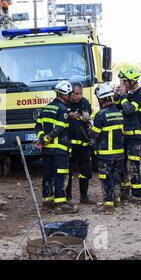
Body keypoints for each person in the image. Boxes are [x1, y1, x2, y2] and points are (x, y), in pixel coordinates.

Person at [35, 80, 79, 214]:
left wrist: (42, 138)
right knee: (60, 175)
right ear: (65, 95)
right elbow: (59, 128)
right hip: (59, 150)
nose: (71, 96)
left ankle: (47, 201)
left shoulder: (46, 108)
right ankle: (60, 205)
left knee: (47, 175)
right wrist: (48, 138)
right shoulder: (63, 110)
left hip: (47, 150)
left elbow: (37, 127)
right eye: (70, 94)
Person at [88, 83, 124, 213]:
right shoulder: (119, 113)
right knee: (116, 177)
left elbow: (95, 134)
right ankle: (117, 201)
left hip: (105, 154)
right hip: (119, 153)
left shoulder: (100, 115)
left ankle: (108, 205)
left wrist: (89, 126)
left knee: (105, 177)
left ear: (101, 99)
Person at [114, 68, 141, 203]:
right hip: (125, 135)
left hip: (135, 136)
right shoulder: (129, 94)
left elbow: (128, 110)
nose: (123, 83)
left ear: (133, 81)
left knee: (133, 165)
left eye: (125, 81)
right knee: (123, 165)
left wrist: (123, 96)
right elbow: (118, 108)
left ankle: (137, 195)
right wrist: (117, 96)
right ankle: (125, 193)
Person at [65, 82, 94, 204]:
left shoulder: (84, 102)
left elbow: (87, 115)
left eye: (81, 93)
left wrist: (86, 119)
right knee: (68, 172)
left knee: (86, 170)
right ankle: (67, 197)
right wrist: (68, 115)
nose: (79, 96)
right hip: (69, 145)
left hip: (83, 144)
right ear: (70, 93)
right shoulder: (64, 103)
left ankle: (84, 197)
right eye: (76, 93)